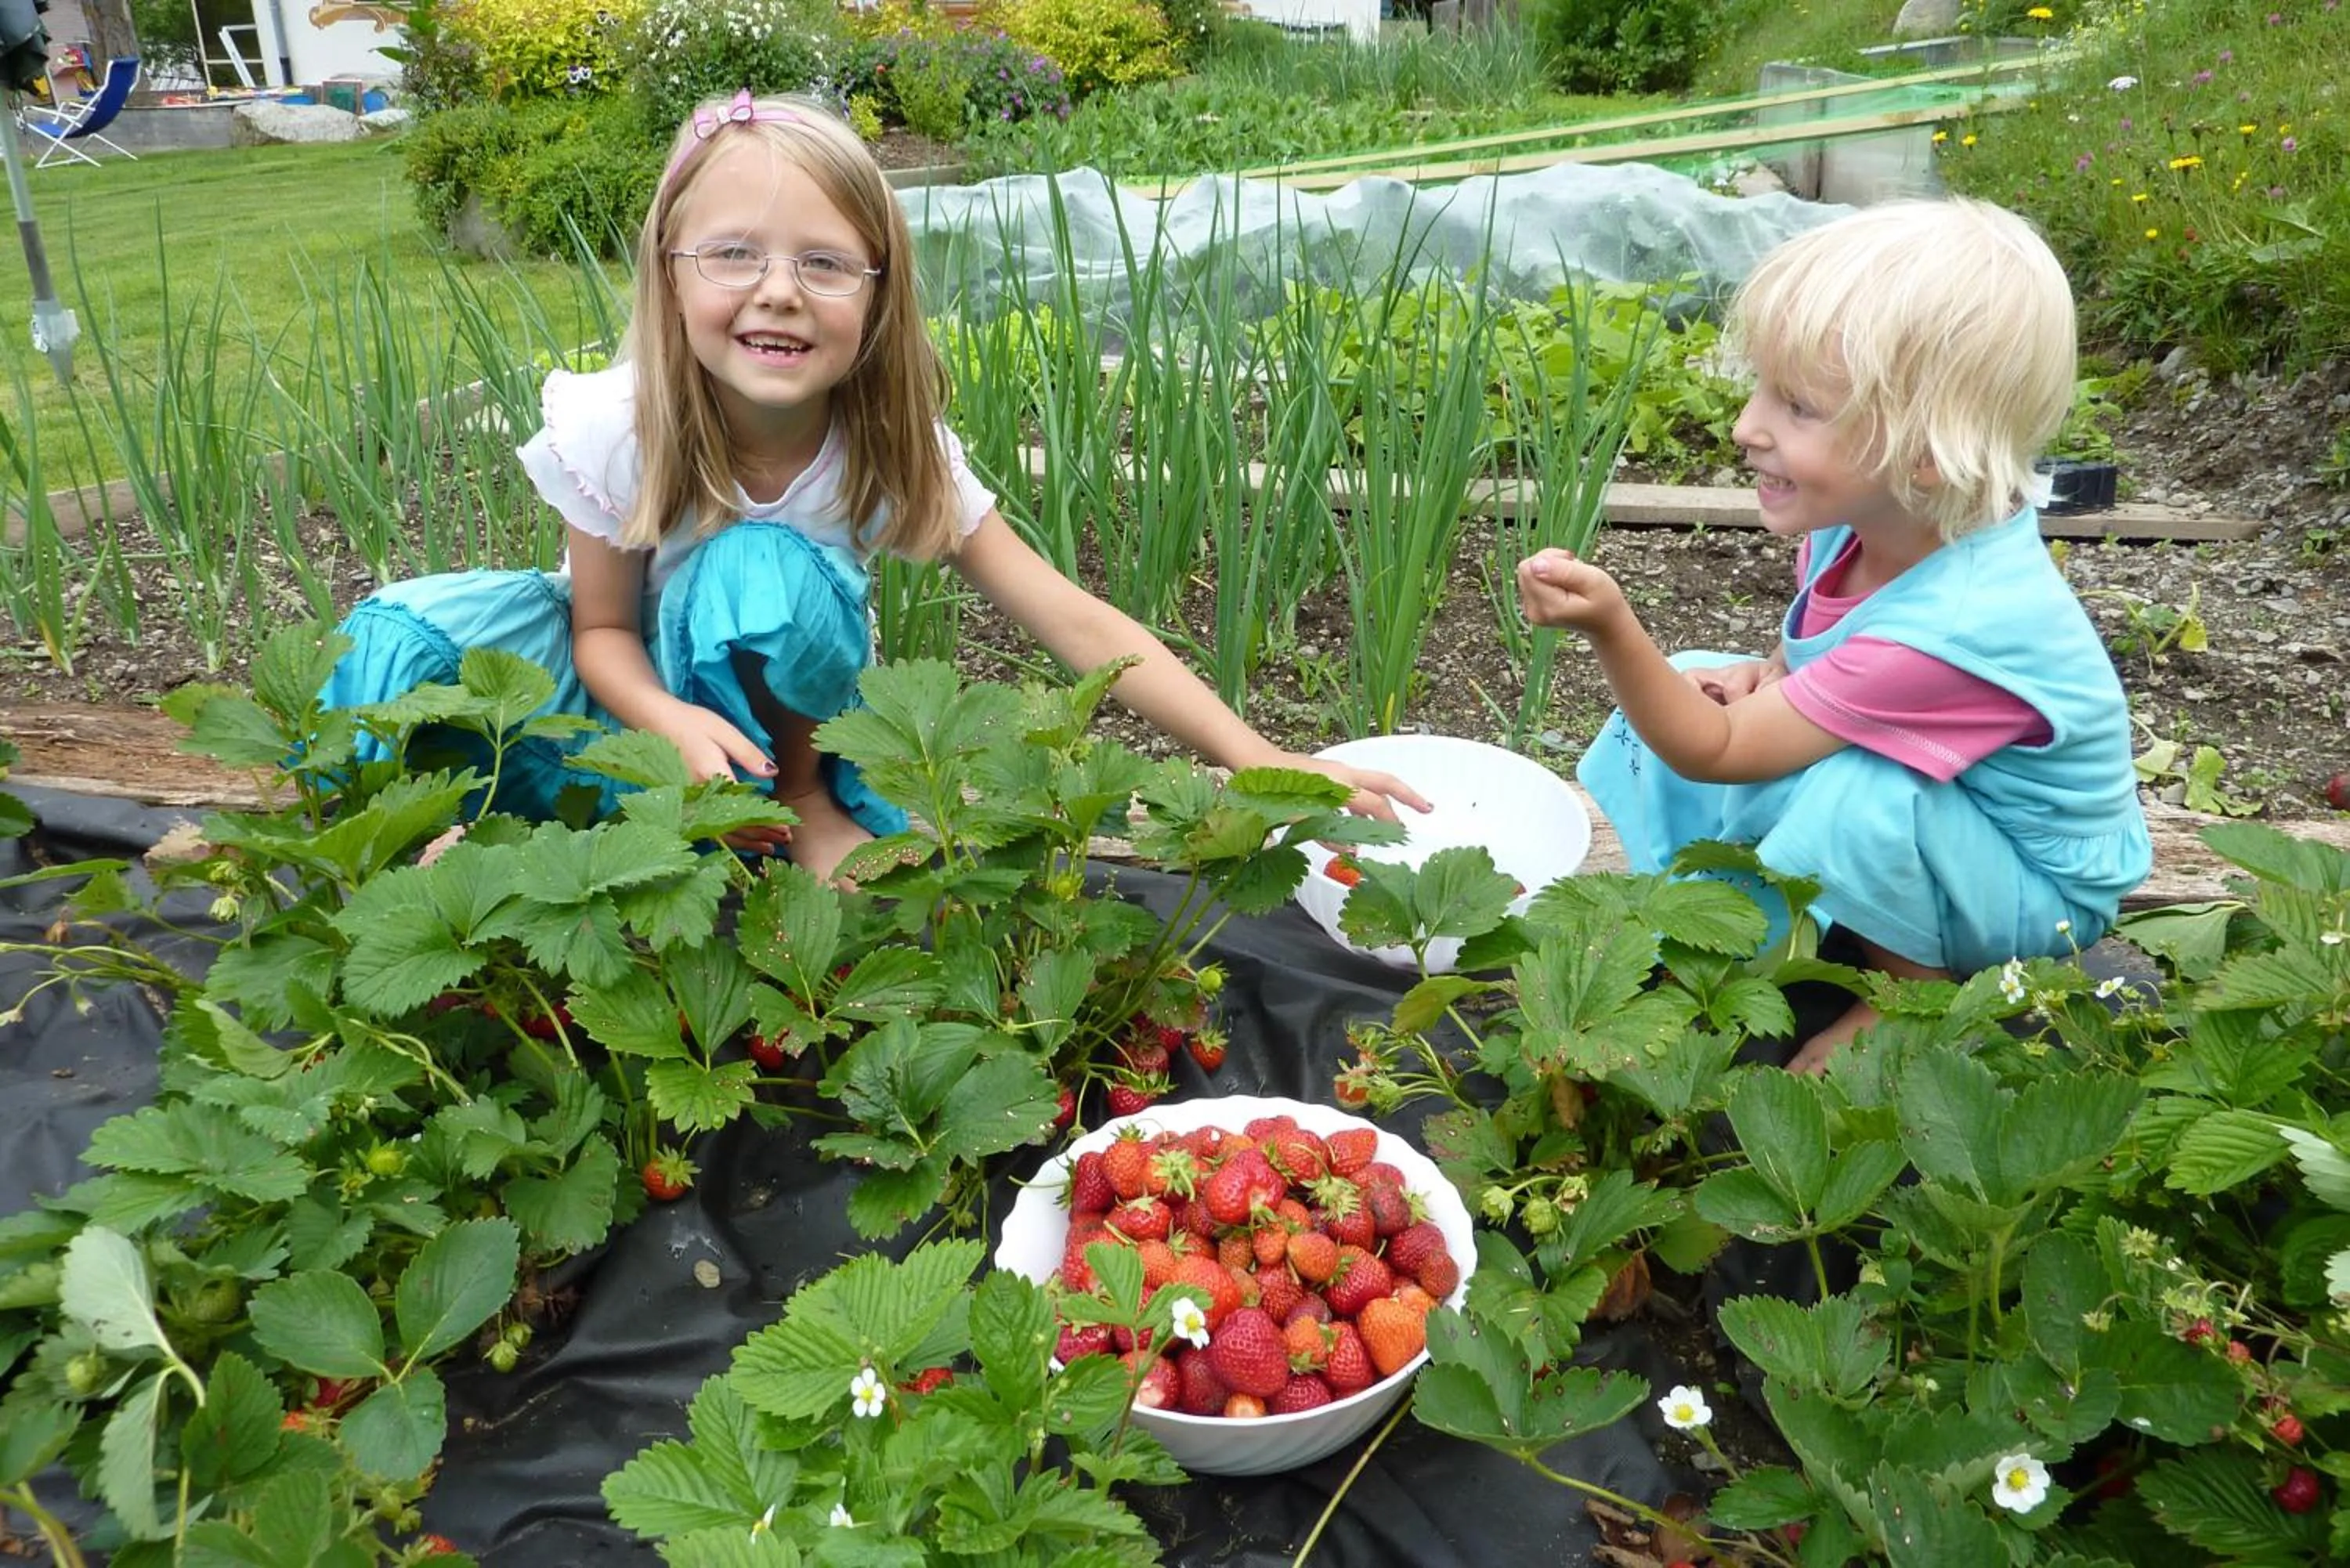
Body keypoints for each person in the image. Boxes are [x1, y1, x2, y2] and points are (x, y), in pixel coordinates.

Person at [323, 91, 1426, 878]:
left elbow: (1070, 614)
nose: (779, 292)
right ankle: (437, 837)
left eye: (823, 262)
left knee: (764, 571)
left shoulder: (886, 449)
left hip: (770, 723)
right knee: (394, 643)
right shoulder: (620, 424)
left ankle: (799, 802)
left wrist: (1256, 754)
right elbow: (602, 632)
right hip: (628, 698)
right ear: (669, 271)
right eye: (733, 254)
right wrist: (663, 721)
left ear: (877, 292)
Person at [1517, 197, 2150, 1072]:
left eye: (1799, 405)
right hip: (1960, 818)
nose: (1747, 425)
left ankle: (1912, 993)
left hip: (2036, 895)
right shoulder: (1871, 520)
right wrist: (1766, 669)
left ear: (1923, 452)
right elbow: (1822, 646)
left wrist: (1612, 626)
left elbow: (1716, 749)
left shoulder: (1957, 626)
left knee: (1856, 789)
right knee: (1702, 675)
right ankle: (1716, 904)